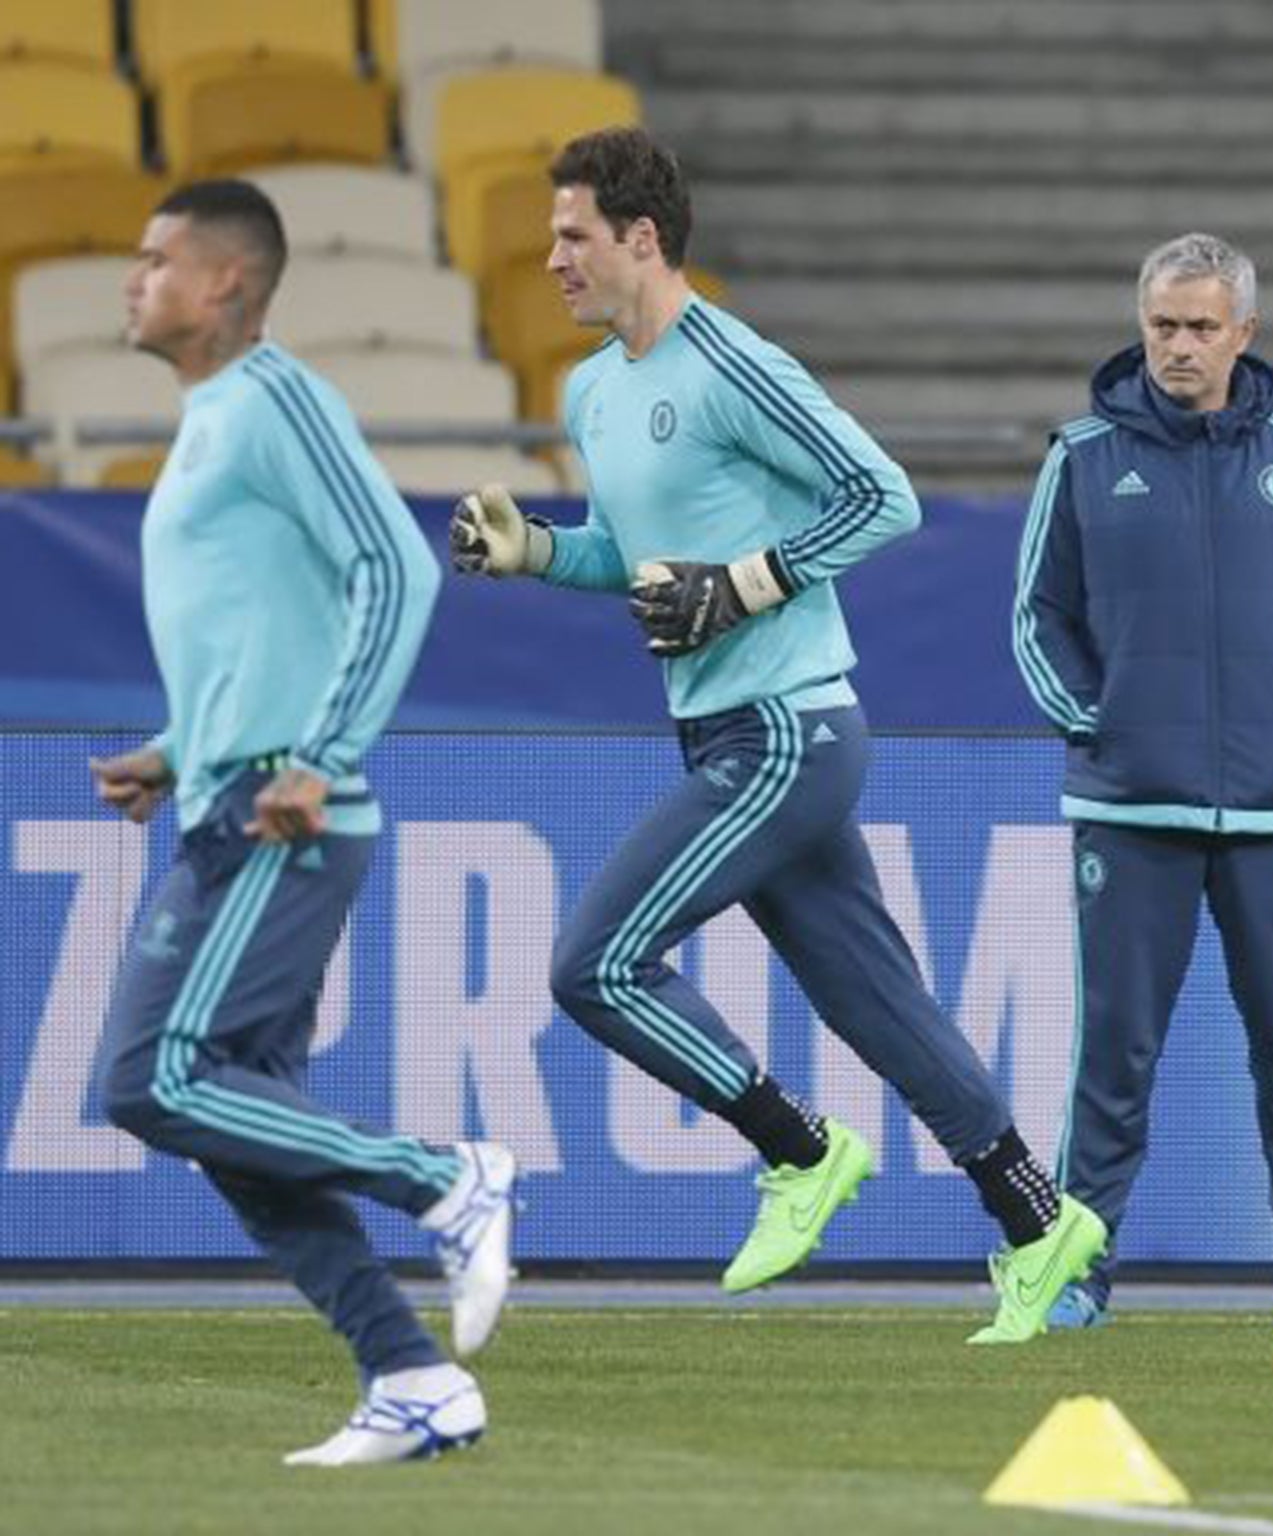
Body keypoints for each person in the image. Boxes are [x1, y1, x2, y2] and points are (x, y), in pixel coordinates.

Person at [447, 126, 1104, 1342]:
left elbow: (880, 496)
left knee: (593, 965)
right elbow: (636, 562)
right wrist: (534, 553)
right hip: (720, 739)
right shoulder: (592, 388)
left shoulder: (730, 363)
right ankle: (1034, 1218)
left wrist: (743, 584)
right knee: (881, 1004)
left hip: (790, 733)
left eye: (572, 236)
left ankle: (798, 1150)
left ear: (641, 240)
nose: (550, 261)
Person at [91, 180, 517, 1463]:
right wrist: (181, 751)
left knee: (153, 1079)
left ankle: (445, 1176)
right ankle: (410, 1376)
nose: (133, 276)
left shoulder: (275, 398)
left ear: (226, 284)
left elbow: (390, 562)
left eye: (158, 257)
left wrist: (321, 757)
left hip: (288, 817)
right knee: (236, 1124)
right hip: (234, 796)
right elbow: (263, 626)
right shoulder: (212, 421)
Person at [1013, 232, 1273, 1330]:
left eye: (1200, 327)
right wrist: (1098, 719)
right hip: (1130, 805)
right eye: (1162, 326)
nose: (1179, 346)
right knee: (1113, 1058)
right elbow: (1038, 617)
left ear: (1243, 334)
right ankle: (1074, 1272)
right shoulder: (1080, 456)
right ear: (1141, 326)